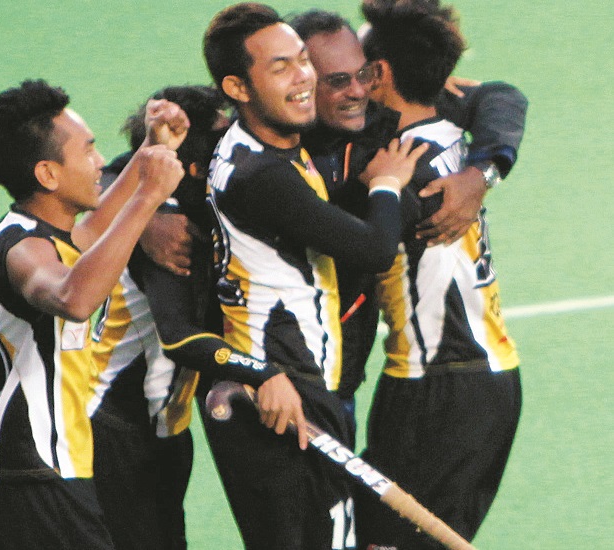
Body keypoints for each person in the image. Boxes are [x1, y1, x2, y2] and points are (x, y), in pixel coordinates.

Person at [199, 4, 428, 549]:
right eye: (281, 67)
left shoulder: (253, 148)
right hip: (285, 398)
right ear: (237, 86)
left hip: (287, 389)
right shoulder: (263, 176)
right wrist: (389, 184)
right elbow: (374, 249)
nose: (303, 78)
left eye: (303, 61)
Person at [0, 79, 186, 549]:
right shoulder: (23, 249)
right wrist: (149, 199)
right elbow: (74, 297)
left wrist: (149, 151)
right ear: (48, 174)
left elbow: (92, 232)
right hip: (36, 476)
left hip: (50, 471)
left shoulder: (44, 234)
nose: (97, 162)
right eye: (87, 151)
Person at [289, 7, 527, 415]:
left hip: (353, 374)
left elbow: (501, 96)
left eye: (361, 75)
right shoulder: (271, 140)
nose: (356, 90)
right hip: (285, 374)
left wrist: (481, 175)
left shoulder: (388, 138)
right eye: (337, 79)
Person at [350, 1, 522, 547]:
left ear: (378, 75)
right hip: (484, 379)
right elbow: (502, 94)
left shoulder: (395, 168)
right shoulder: (451, 137)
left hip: (437, 388)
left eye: (356, 68)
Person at [87, 85, 231, 550]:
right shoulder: (172, 231)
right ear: (192, 165)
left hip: (160, 426)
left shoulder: (161, 208)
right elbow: (177, 338)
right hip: (120, 432)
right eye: (223, 143)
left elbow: (113, 173)